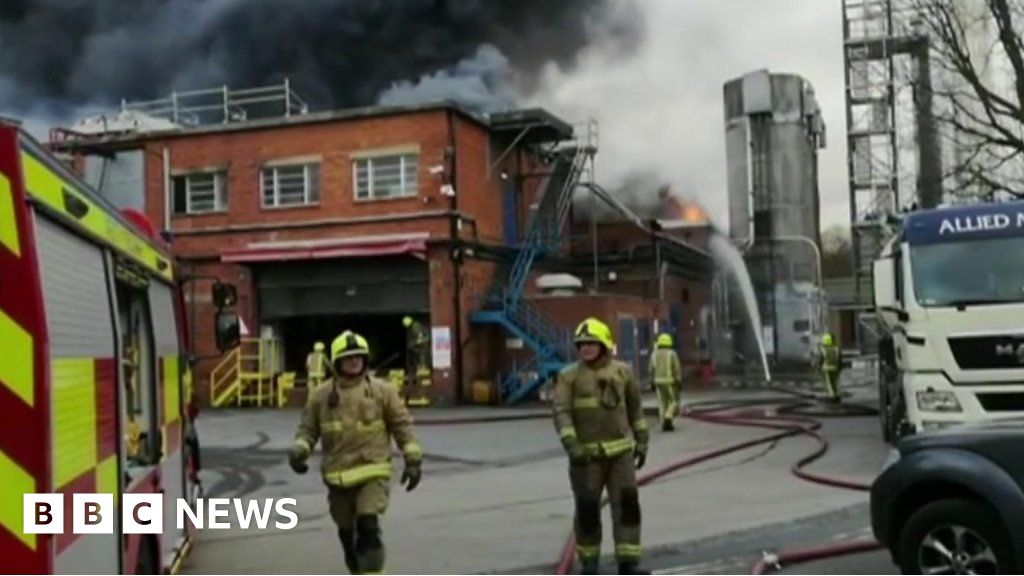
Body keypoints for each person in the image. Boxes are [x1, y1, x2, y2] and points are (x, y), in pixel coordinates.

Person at [289, 331, 423, 574]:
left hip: (373, 472)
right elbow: (308, 429)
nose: (354, 361)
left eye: (359, 357)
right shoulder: (321, 396)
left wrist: (413, 460)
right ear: (336, 362)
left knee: (368, 526)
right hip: (337, 477)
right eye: (348, 357)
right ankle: (356, 567)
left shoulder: (383, 392)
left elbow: (402, 426)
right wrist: (299, 451)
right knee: (346, 534)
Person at [553, 317, 649, 575]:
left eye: (591, 343)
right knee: (587, 511)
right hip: (586, 458)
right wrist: (572, 445)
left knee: (627, 507)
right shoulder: (568, 376)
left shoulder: (623, 372)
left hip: (621, 456)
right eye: (581, 344)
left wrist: (642, 441)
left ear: (604, 344)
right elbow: (561, 412)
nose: (585, 348)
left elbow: (636, 410)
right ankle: (590, 564)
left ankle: (628, 564)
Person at [649, 333, 682, 431]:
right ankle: (668, 417)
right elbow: (676, 368)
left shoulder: (653, 355)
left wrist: (652, 382)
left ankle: (664, 423)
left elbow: (650, 369)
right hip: (670, 382)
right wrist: (679, 381)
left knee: (662, 404)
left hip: (658, 382)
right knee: (674, 402)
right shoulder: (672, 353)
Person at [818, 333, 842, 402]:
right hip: (835, 368)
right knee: (835, 382)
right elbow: (839, 359)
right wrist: (840, 368)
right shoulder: (836, 348)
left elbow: (820, 359)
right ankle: (837, 394)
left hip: (826, 369)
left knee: (829, 383)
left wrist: (819, 367)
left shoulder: (823, 349)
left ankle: (832, 396)